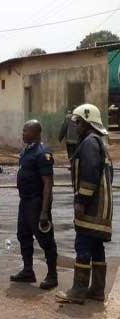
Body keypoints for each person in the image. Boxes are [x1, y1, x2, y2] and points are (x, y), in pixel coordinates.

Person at [57, 104, 114, 304]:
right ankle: (97, 290)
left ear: (87, 123)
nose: (77, 126)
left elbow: (89, 174)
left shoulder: (89, 142)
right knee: (97, 246)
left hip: (91, 208)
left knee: (82, 245)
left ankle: (78, 291)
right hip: (102, 208)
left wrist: (81, 201)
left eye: (79, 122)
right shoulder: (100, 142)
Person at [10, 120, 58, 289]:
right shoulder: (26, 151)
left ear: (36, 133)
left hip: (37, 203)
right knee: (23, 235)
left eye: (26, 131)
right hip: (25, 201)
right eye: (23, 130)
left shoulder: (43, 153)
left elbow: (48, 183)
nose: (23, 133)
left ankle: (52, 276)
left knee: (45, 240)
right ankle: (28, 271)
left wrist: (44, 211)